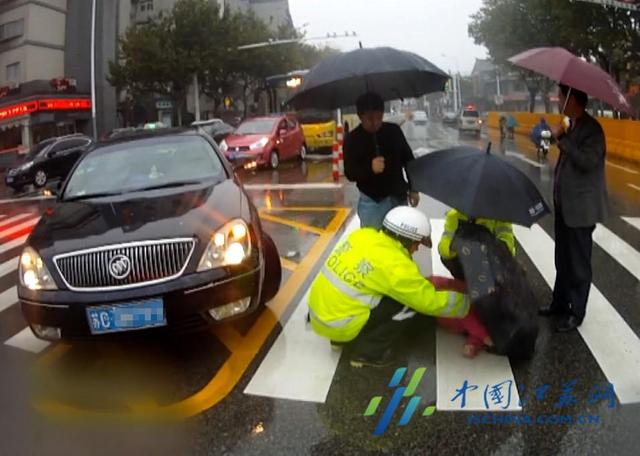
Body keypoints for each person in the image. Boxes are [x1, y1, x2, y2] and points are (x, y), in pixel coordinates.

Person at [308, 206, 470, 368]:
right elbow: (429, 301)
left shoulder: (362, 235)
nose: (417, 248)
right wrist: (469, 302)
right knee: (407, 304)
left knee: (365, 292)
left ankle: (338, 340)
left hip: (321, 316)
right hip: (341, 325)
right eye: (416, 243)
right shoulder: (395, 265)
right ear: (405, 239)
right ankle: (368, 354)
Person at [538, 84, 607, 332]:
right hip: (565, 207)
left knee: (579, 262)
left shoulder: (592, 130)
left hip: (581, 210)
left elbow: (588, 162)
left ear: (574, 100)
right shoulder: (572, 124)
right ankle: (559, 302)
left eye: (561, 96)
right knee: (563, 259)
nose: (558, 100)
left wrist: (563, 139)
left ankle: (576, 312)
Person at [344, 92, 419, 229]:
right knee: (374, 245)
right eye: (369, 118)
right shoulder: (353, 139)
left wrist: (414, 188)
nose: (375, 122)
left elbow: (408, 160)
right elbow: (350, 172)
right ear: (360, 117)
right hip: (372, 202)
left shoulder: (393, 131)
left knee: (400, 245)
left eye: (379, 117)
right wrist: (369, 168)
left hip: (398, 198)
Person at [438, 208, 516, 280]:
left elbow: (507, 244)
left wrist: (487, 246)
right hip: (465, 260)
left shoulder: (501, 217)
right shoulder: (454, 215)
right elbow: (443, 248)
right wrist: (455, 245)